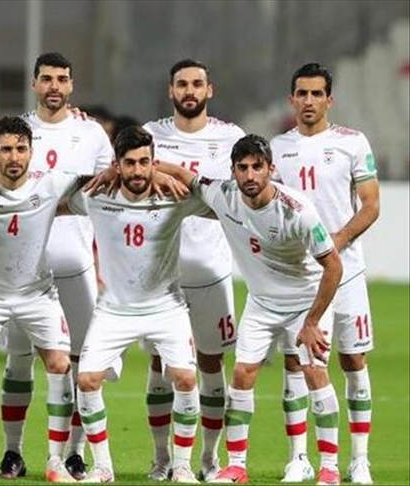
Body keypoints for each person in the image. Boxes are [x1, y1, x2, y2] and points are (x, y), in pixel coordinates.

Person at [0, 116, 122, 483]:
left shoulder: (51, 182)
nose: (14, 157)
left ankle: (55, 461)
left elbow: (99, 180)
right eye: (6, 149)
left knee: (60, 364)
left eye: (21, 149)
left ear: (31, 152)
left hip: (38, 294)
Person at [155, 135, 344, 485]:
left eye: (257, 167)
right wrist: (145, 167)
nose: (250, 175)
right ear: (233, 171)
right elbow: (186, 176)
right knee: (242, 374)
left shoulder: (297, 210)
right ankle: (237, 466)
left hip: (305, 302)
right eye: (242, 168)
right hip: (261, 303)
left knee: (314, 372)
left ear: (271, 168)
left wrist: (313, 321)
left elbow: (333, 266)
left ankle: (329, 468)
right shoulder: (224, 194)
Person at [0, 52, 113, 481]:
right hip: (23, 268)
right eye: (46, 79)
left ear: (71, 84)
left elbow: (108, 194)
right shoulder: (17, 132)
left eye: (62, 79)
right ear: (34, 83)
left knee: (80, 363)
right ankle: (12, 452)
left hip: (75, 262)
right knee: (19, 362)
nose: (54, 86)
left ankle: (75, 454)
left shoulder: (92, 134)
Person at [72, 126, 212, 484]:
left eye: (145, 162)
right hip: (114, 308)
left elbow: (218, 198)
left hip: (166, 306)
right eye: (130, 163)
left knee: (185, 377)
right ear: (116, 165)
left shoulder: (175, 196)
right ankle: (103, 467)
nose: (138, 170)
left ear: (154, 162)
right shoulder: (95, 196)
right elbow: (51, 192)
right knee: (86, 380)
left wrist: (172, 173)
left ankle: (181, 465)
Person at [270, 63, 380, 485]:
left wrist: (336, 240)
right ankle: (299, 458)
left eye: (317, 93)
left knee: (353, 359)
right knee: (297, 361)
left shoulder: (353, 142)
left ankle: (360, 459)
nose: (309, 100)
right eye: (302, 93)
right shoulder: (277, 148)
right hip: (298, 275)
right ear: (291, 99)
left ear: (329, 100)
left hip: (346, 270)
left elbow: (371, 204)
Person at [142, 59, 245, 482]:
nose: (190, 90)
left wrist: (171, 174)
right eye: (182, 84)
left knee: (210, 362)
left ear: (209, 90)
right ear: (171, 90)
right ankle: (161, 458)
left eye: (197, 84)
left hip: (212, 268)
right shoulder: (150, 135)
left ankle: (209, 457)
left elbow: (237, 195)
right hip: (161, 271)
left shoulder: (231, 137)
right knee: (159, 362)